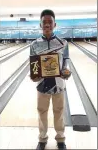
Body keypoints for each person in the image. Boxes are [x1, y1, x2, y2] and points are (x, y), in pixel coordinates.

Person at [30, 9, 71, 150]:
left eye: (50, 22)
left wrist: (67, 71)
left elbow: (66, 61)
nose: (47, 24)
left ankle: (60, 139)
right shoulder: (34, 45)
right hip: (42, 85)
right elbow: (33, 65)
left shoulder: (63, 43)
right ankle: (42, 139)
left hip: (59, 84)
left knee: (59, 112)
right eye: (44, 22)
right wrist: (34, 75)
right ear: (40, 25)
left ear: (55, 24)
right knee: (42, 112)